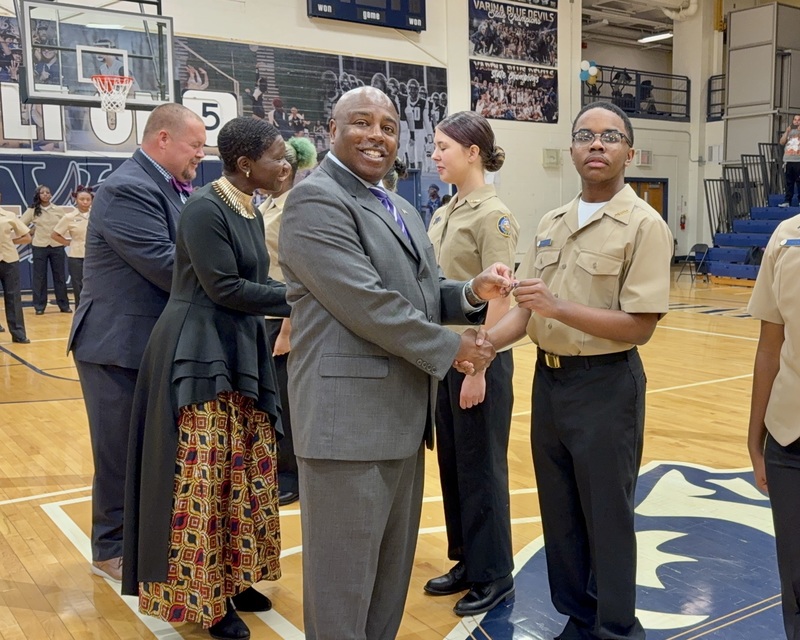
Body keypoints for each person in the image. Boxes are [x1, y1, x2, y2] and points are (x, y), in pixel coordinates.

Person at [278, 86, 515, 640]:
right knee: (343, 590)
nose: (376, 135)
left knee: (387, 583)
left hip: (404, 422)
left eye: (388, 126)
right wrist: (452, 347)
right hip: (346, 425)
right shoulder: (317, 200)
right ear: (331, 130)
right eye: (361, 122)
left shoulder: (399, 205)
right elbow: (366, 302)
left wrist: (470, 294)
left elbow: (422, 289)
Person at [480, 101, 673, 640]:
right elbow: (526, 306)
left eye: (610, 137)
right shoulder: (551, 222)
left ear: (629, 152)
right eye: (585, 135)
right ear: (569, 149)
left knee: (607, 515)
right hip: (550, 380)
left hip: (607, 385)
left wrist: (558, 307)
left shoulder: (644, 226)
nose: (596, 144)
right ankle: (578, 617)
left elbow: (639, 326)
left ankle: (615, 627)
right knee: (560, 509)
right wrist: (486, 342)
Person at [122, 116, 291, 640]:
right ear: (245, 164)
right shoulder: (204, 206)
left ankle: (236, 578)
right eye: (277, 157)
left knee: (244, 471)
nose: (286, 165)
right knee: (205, 476)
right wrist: (303, 298)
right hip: (199, 351)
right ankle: (206, 600)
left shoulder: (248, 207)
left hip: (238, 346)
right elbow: (225, 288)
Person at [67, 103, 206, 583]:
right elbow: (166, 265)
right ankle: (110, 549)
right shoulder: (129, 188)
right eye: (195, 145)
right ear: (162, 139)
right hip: (115, 345)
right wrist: (232, 283)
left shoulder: (166, 186)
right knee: (118, 451)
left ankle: (139, 541)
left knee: (145, 452)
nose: (200, 156)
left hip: (144, 344)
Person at [424, 111, 519, 616]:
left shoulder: (492, 214)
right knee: (455, 466)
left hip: (478, 360)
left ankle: (493, 573)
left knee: (482, 468)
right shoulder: (445, 211)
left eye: (443, 147)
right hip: (447, 356)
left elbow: (501, 298)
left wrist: (480, 366)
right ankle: (465, 559)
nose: (435, 155)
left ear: (472, 152)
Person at [747, 213, 800, 640]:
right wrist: (755, 438)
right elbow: (770, 343)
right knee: (796, 577)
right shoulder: (787, 235)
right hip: (790, 434)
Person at [259, 135, 317, 507]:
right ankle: (273, 466)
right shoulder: (267, 203)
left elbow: (297, 275)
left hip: (283, 317)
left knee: (285, 400)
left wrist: (288, 329)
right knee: (271, 398)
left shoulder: (294, 207)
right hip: (261, 311)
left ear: (285, 169)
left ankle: (291, 474)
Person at [21, 185, 71, 315]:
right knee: (39, 277)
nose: (45, 195)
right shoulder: (33, 210)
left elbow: (67, 224)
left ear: (51, 195)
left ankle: (64, 305)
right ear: (38, 195)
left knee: (59, 276)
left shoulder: (58, 210)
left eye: (47, 192)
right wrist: (31, 231)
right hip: (40, 246)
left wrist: (62, 237)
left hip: (57, 246)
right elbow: (20, 224)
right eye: (42, 193)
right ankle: (39, 306)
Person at [51, 186, 92, 308]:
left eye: (88, 199)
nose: (85, 202)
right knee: (79, 287)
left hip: (94, 256)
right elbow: (55, 234)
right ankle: (80, 315)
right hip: (76, 256)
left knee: (95, 286)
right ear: (76, 200)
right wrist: (69, 243)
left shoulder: (96, 215)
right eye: (82, 199)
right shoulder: (69, 217)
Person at [0, 194, 31, 343]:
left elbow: (26, 237)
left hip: (9, 260)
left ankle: (18, 333)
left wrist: (11, 241)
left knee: (13, 297)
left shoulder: (9, 216)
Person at [779, 114, 800, 207]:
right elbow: (782, 142)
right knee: (789, 182)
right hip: (788, 159)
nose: (796, 121)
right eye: (795, 120)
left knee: (799, 181)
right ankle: (787, 201)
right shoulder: (789, 131)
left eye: (799, 120)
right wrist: (787, 132)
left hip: (798, 160)